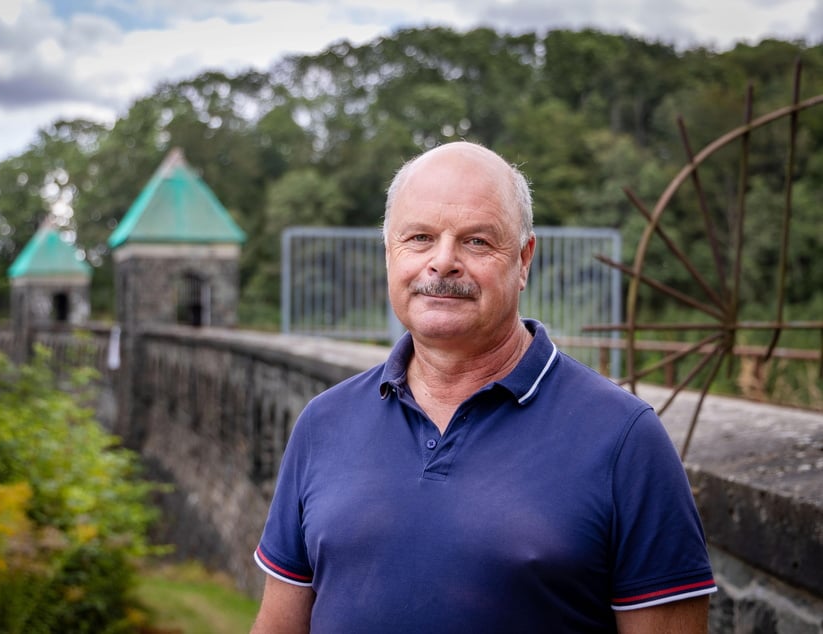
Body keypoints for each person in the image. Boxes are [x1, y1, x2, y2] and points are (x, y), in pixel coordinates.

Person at [250, 141, 716, 633]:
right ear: (389, 252)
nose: (443, 262)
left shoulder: (625, 440)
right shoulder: (324, 423)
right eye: (420, 238)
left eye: (476, 241)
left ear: (523, 260)